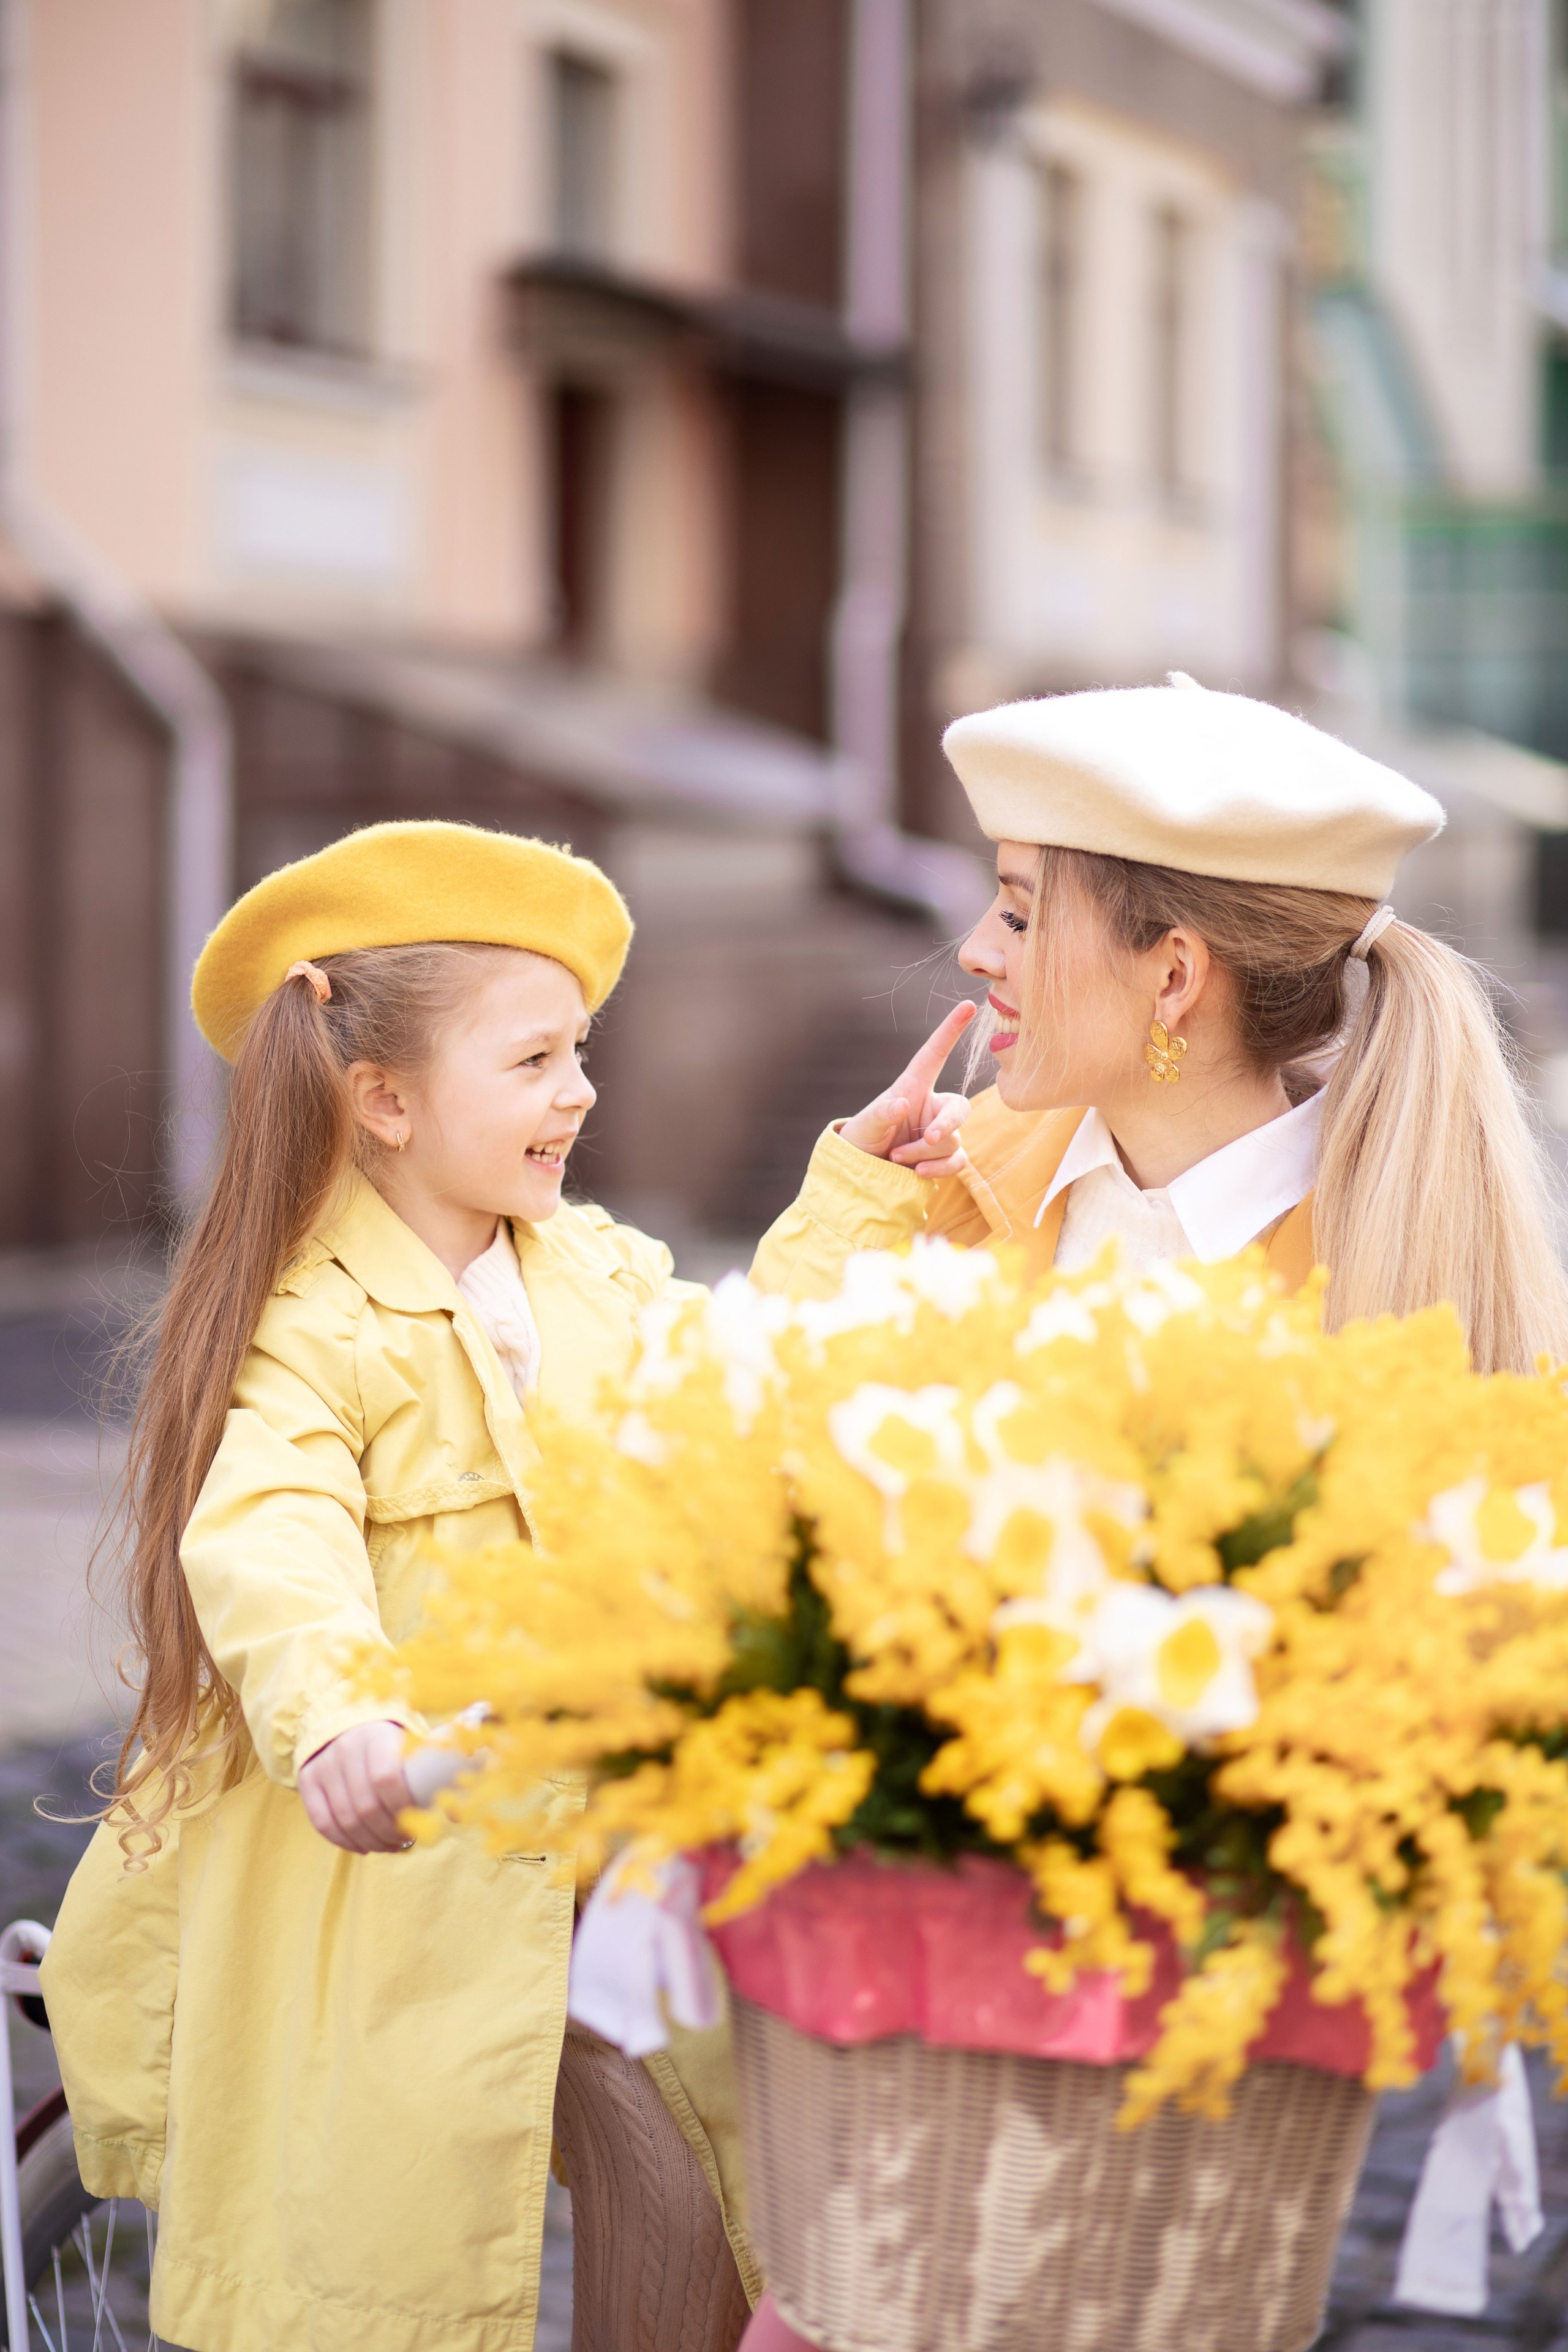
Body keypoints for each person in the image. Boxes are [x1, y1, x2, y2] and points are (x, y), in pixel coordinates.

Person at [38, 820, 975, 2352]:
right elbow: (267, 1533)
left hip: (603, 1851)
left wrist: (859, 1193)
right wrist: (340, 1722)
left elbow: (734, 1380)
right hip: (404, 1875)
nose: (581, 1089)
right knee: (373, 2264)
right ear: (385, 1099)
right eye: (536, 1059)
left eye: (580, 1051)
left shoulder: (589, 1271)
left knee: (697, 2202)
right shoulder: (312, 1324)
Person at [739, 672, 1568, 2352]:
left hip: (1175, 2101)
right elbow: (757, 1466)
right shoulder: (958, 1188)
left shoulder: (1372, 1291)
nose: (973, 950)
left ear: (1172, 975)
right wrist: (850, 1205)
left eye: (1018, 909)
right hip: (898, 2040)